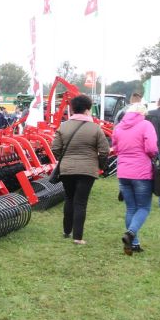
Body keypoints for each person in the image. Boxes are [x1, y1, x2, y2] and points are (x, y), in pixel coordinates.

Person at [50, 94, 109, 245]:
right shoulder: (95, 129)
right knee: (80, 203)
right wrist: (101, 165)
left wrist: (65, 158)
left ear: (72, 109)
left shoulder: (63, 127)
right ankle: (78, 237)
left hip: (67, 169)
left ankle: (66, 231)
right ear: (88, 109)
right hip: (87, 170)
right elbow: (104, 151)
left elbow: (55, 148)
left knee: (69, 199)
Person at [112, 102, 158, 255]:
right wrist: (152, 155)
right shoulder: (146, 125)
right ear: (143, 113)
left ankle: (134, 244)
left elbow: (116, 148)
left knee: (131, 208)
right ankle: (131, 233)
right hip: (141, 172)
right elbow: (151, 148)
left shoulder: (118, 127)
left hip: (123, 172)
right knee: (144, 207)